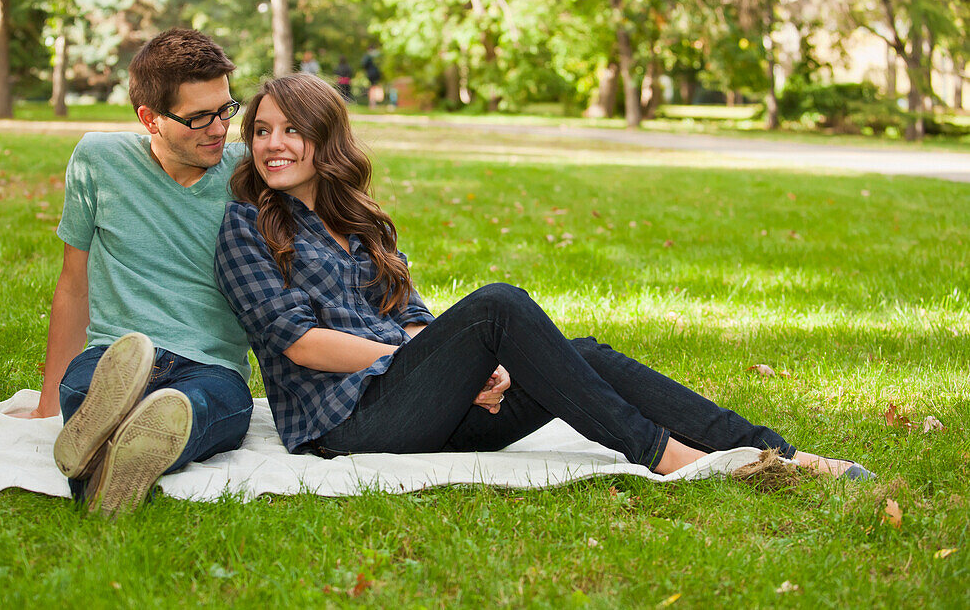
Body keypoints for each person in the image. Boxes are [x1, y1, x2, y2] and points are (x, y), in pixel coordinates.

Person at [213, 74, 875, 480]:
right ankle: (664, 454)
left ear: (324, 138)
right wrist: (427, 358)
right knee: (498, 304)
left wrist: (471, 372)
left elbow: (411, 312)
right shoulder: (249, 226)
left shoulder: (360, 220)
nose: (272, 143)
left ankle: (778, 455)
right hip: (349, 422)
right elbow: (300, 344)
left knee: (584, 355)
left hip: (423, 405)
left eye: (291, 129)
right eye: (262, 129)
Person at [24, 28, 255, 517]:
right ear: (149, 118)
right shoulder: (99, 160)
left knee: (205, 408)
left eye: (225, 109)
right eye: (198, 118)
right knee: (86, 389)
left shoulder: (249, 174)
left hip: (212, 366)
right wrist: (47, 402)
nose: (219, 128)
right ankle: (120, 438)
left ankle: (107, 453)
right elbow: (73, 286)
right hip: (117, 355)